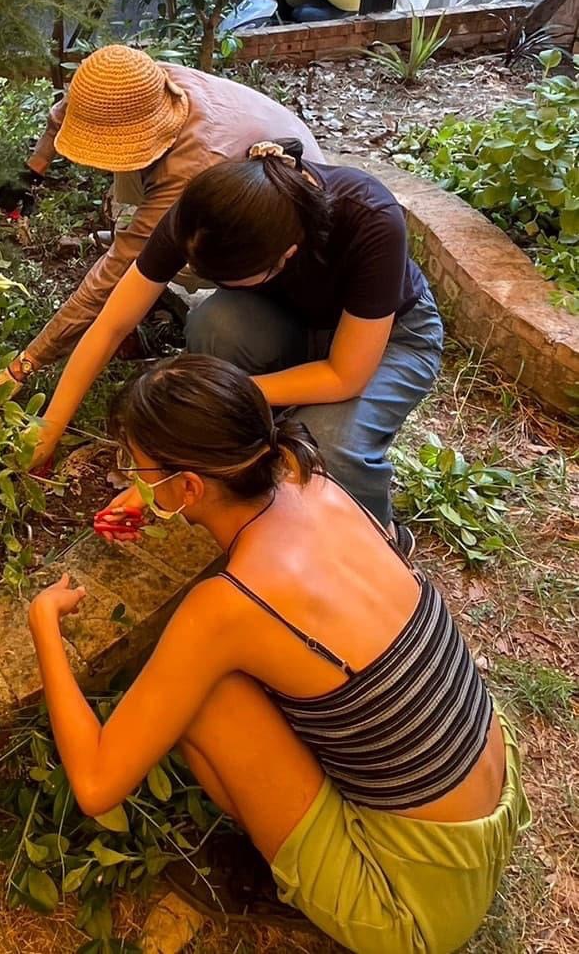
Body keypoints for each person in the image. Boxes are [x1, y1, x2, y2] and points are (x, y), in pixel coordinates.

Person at [28, 355, 530, 954]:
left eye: (138, 469)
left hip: (414, 908)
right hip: (491, 801)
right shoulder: (312, 480)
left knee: (201, 695)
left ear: (189, 486)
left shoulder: (226, 608)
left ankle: (297, 876)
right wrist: (157, 493)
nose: (132, 479)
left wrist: (44, 627)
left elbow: (95, 784)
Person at [30, 142, 443, 528]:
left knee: (326, 448)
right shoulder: (207, 215)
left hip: (390, 340)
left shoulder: (370, 216)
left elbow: (344, 375)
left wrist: (220, 396)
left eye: (234, 280)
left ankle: (379, 539)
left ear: (287, 255)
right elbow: (111, 324)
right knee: (216, 323)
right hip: (293, 322)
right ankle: (246, 473)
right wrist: (50, 427)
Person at [0, 46, 321, 397]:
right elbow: (68, 111)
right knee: (135, 206)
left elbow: (112, 276)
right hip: (250, 126)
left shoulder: (189, 169)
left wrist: (24, 365)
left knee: (161, 263)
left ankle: (183, 291)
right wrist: (33, 170)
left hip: (283, 196)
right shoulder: (129, 81)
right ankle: (137, 243)